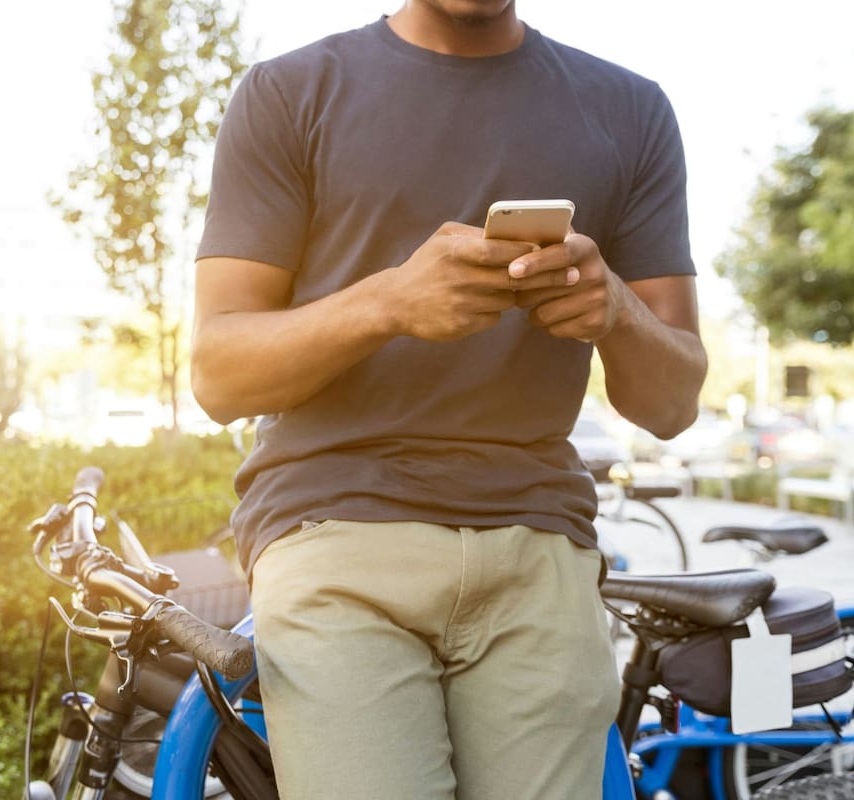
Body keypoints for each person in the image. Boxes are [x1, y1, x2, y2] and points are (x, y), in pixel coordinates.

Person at [190, 1, 707, 797]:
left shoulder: (629, 109)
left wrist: (617, 312)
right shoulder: (288, 93)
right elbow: (219, 375)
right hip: (336, 532)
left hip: (538, 544)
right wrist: (388, 304)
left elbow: (672, 404)